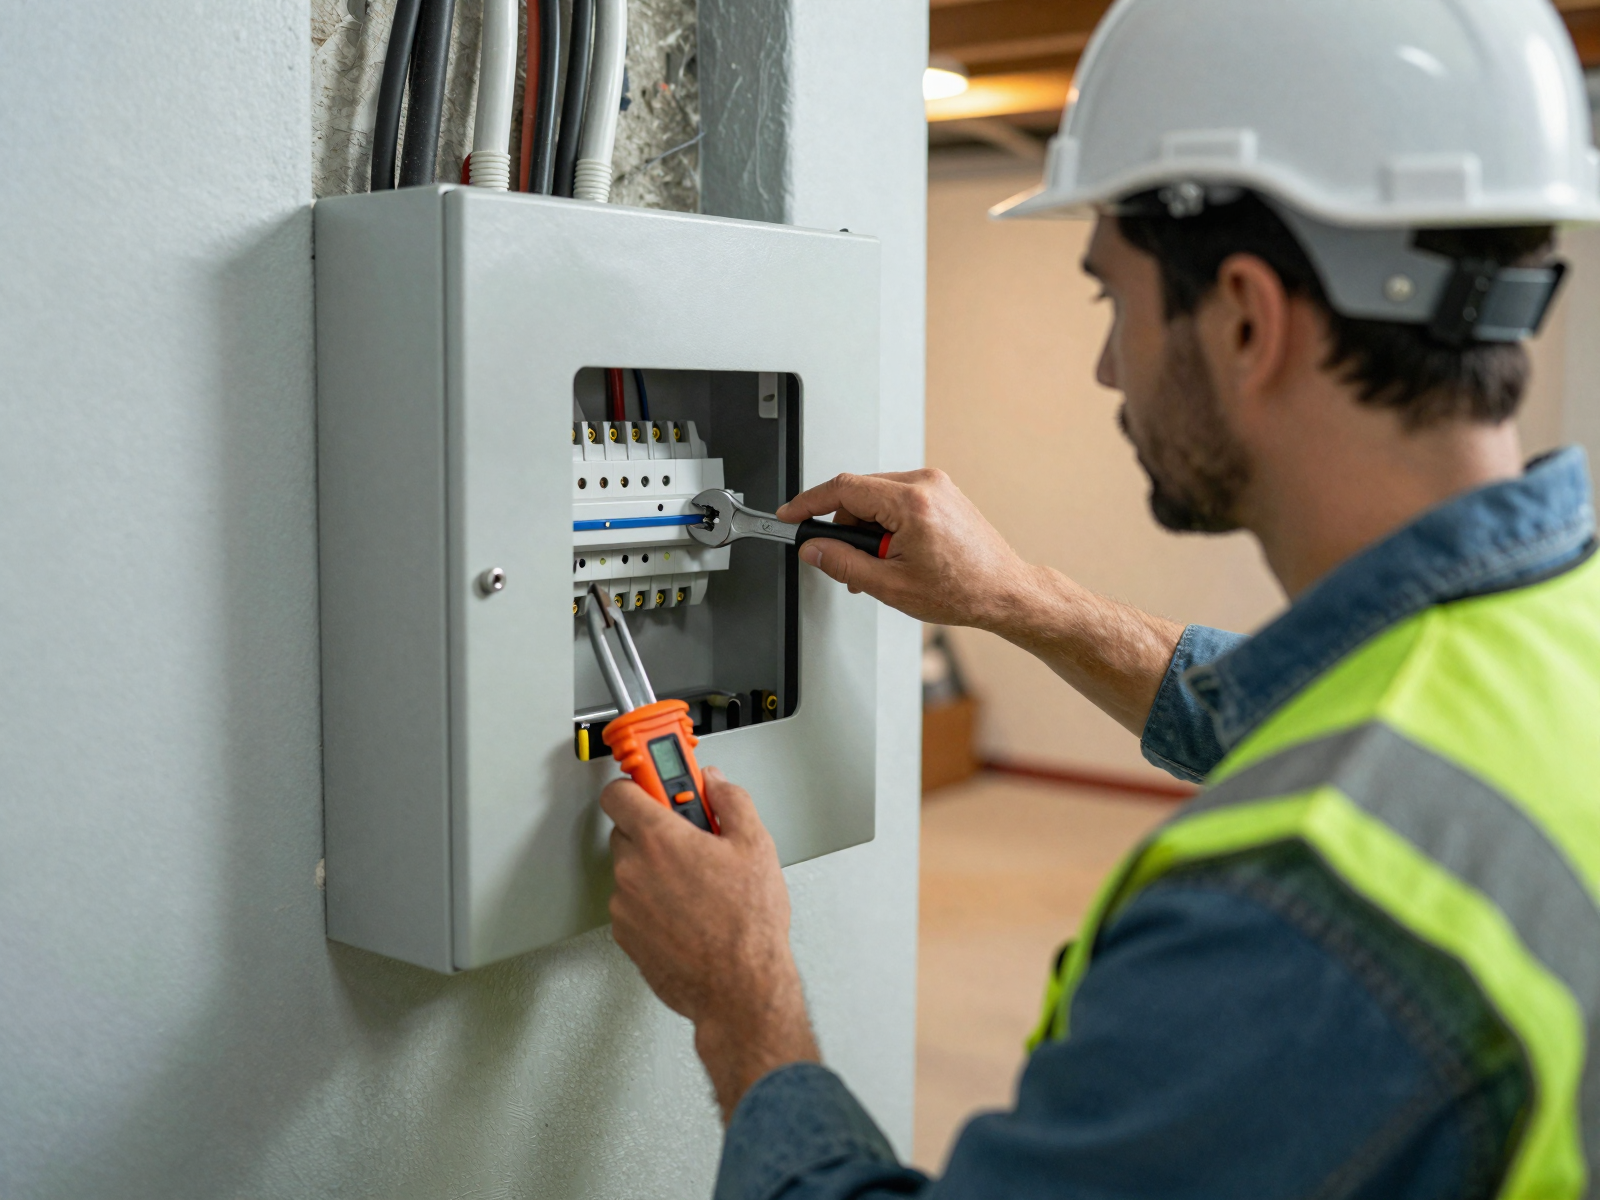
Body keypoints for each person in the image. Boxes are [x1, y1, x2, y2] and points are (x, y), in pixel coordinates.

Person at [600, 1, 1600, 1196]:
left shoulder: (1294, 911)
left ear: (1245, 319)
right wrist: (1019, 598)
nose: (1107, 366)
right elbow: (1316, 724)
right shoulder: (1558, 626)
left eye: (1110, 301)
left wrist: (740, 992)